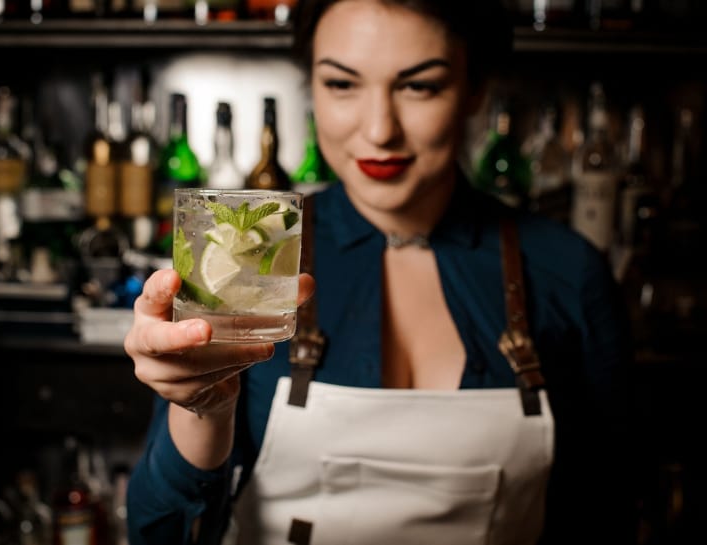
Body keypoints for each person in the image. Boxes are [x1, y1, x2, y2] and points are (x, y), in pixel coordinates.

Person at [123, 1, 636, 544]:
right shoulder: (249, 247)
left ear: (474, 89)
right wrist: (202, 407)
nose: (378, 130)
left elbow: (607, 512)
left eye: (419, 87)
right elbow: (161, 532)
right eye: (343, 84)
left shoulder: (567, 270)